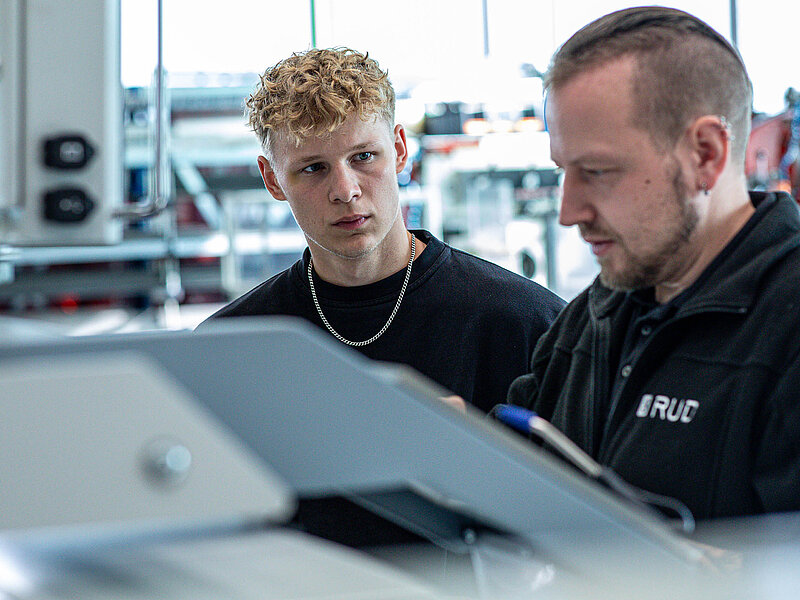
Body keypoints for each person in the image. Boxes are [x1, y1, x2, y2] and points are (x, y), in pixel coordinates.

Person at [507, 6, 800, 520]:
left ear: (704, 155)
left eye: (597, 171)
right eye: (563, 172)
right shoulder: (594, 317)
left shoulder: (786, 329)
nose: (568, 212)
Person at [201, 47, 565, 413]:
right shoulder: (228, 347)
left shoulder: (526, 324)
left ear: (399, 150)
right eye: (313, 168)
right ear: (272, 179)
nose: (345, 191)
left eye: (363, 157)